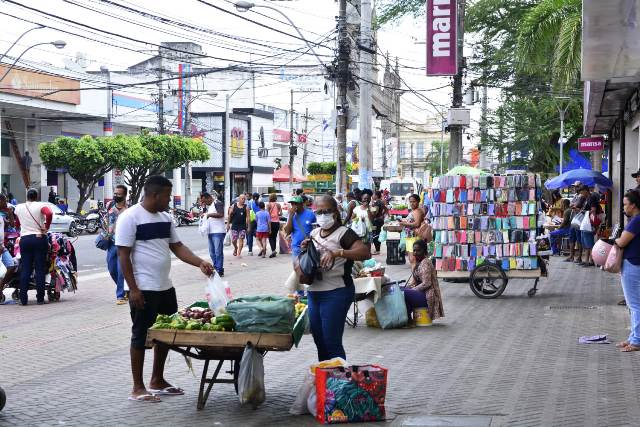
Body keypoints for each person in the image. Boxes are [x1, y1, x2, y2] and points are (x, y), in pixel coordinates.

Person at [115, 175, 213, 402]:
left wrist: (200, 262)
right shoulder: (130, 218)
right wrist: (133, 289)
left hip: (165, 286)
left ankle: (157, 380)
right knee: (140, 335)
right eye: (167, 195)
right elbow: (123, 256)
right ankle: (137, 388)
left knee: (165, 335)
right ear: (155, 195)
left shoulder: (166, 217)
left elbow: (177, 247)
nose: (170, 200)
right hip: (144, 288)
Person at [299, 195, 370, 360]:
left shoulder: (344, 233)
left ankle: (338, 381)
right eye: (319, 212)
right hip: (314, 292)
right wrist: (306, 247)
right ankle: (325, 377)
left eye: (327, 211)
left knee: (331, 340)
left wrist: (338, 252)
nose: (323, 215)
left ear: (335, 213)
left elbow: (364, 252)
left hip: (336, 292)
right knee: (319, 339)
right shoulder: (315, 232)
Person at [14, 189, 53, 305]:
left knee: (26, 269)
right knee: (40, 269)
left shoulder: (19, 207)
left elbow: (17, 223)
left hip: (25, 239)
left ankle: (23, 299)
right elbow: (49, 213)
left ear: (27, 196)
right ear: (36, 196)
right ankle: (40, 299)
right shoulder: (41, 205)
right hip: (39, 238)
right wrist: (47, 227)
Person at [614, 190, 640, 352]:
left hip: (632, 263)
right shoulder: (635, 220)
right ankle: (633, 337)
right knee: (634, 304)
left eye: (625, 204)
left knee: (634, 304)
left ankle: (636, 340)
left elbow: (622, 241)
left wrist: (615, 239)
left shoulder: (636, 221)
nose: (624, 207)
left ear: (634, 205)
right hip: (634, 262)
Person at [404, 240, 444, 325]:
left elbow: (426, 283)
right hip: (421, 293)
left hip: (428, 296)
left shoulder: (425, 263)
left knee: (404, 293)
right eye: (414, 250)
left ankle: (407, 320)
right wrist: (408, 287)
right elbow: (414, 282)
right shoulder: (418, 263)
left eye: (418, 250)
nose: (415, 253)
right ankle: (407, 319)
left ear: (424, 251)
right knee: (401, 290)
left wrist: (412, 290)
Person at [106, 185, 129, 305]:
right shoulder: (109, 205)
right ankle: (126, 289)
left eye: (118, 194)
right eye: (115, 193)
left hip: (124, 243)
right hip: (111, 241)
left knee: (121, 270)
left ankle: (121, 295)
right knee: (112, 269)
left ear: (125, 195)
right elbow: (105, 219)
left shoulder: (130, 208)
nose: (116, 196)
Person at [202, 191, 226, 277]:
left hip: (218, 232)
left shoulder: (217, 203)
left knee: (218, 252)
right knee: (212, 252)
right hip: (211, 232)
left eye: (205, 201)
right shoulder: (210, 206)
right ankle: (216, 267)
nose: (204, 203)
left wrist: (209, 214)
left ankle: (219, 269)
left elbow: (221, 214)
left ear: (209, 198)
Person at [399, 194, 426, 263]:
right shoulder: (415, 210)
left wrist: (404, 224)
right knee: (412, 259)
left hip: (414, 237)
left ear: (418, 201)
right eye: (410, 202)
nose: (412, 203)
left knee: (413, 259)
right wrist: (405, 221)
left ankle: (415, 273)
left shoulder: (417, 211)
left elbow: (417, 224)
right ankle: (415, 272)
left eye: (414, 201)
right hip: (411, 237)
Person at [580, 197, 605, 267]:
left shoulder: (593, 206)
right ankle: (589, 261)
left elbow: (593, 211)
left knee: (589, 246)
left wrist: (585, 212)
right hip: (590, 228)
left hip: (589, 228)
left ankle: (589, 261)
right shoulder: (598, 208)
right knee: (588, 245)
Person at [565, 185, 587, 263]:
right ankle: (571, 256)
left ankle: (579, 257)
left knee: (578, 239)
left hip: (579, 221)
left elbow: (577, 206)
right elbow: (571, 205)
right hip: (573, 220)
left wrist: (574, 206)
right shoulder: (576, 196)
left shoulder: (582, 197)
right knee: (572, 238)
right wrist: (573, 205)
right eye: (575, 186)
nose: (575, 188)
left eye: (577, 186)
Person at [370, 191, 388, 255]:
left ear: (376, 196)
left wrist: (372, 207)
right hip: (380, 220)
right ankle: (377, 249)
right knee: (377, 233)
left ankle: (377, 250)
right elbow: (386, 210)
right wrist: (382, 215)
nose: (372, 196)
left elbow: (374, 213)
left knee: (375, 234)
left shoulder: (376, 203)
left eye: (373, 195)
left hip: (375, 221)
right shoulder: (381, 202)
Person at [266, 193, 282, 258]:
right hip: (277, 223)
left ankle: (273, 250)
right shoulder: (278, 205)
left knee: (270, 237)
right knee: (274, 237)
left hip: (271, 222)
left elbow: (267, 214)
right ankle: (274, 250)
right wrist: (277, 214)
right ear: (275, 198)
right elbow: (281, 213)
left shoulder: (268, 205)